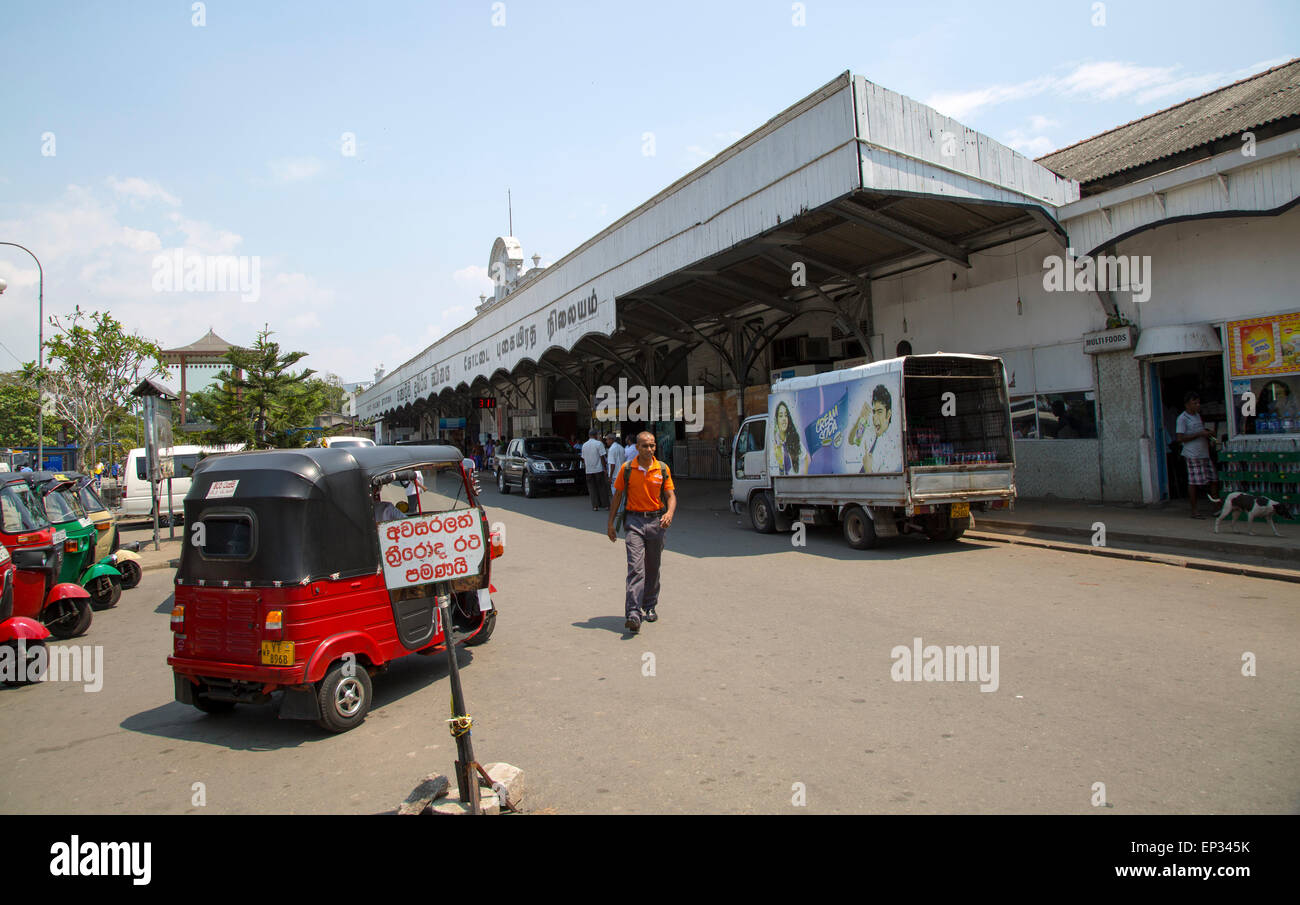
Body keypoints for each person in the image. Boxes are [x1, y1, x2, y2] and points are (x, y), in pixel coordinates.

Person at [608, 431, 676, 634]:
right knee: (636, 567)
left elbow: (670, 496)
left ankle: (650, 605)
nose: (649, 449)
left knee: (653, 567)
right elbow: (618, 496)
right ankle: (633, 614)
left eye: (652, 445)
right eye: (645, 446)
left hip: (656, 522)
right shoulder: (627, 469)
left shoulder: (662, 469)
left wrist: (670, 512)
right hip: (634, 522)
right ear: (637, 447)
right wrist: (610, 523)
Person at [1176, 391, 1219, 518]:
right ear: (1187, 405)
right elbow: (1180, 438)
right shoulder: (1182, 418)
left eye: (1198, 403)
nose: (1197, 405)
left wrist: (1208, 435)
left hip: (1204, 453)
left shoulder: (1197, 416)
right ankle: (1194, 510)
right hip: (1192, 454)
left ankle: (1216, 507)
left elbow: (1201, 431)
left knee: (1214, 479)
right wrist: (1200, 434)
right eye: (1194, 403)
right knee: (1194, 482)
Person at [581, 428, 609, 510]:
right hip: (598, 469)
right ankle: (606, 505)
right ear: (596, 435)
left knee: (592, 488)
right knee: (602, 487)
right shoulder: (599, 444)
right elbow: (602, 457)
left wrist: (586, 468)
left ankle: (595, 506)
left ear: (589, 435)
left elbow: (583, 458)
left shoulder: (584, 445)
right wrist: (605, 469)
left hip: (589, 470)